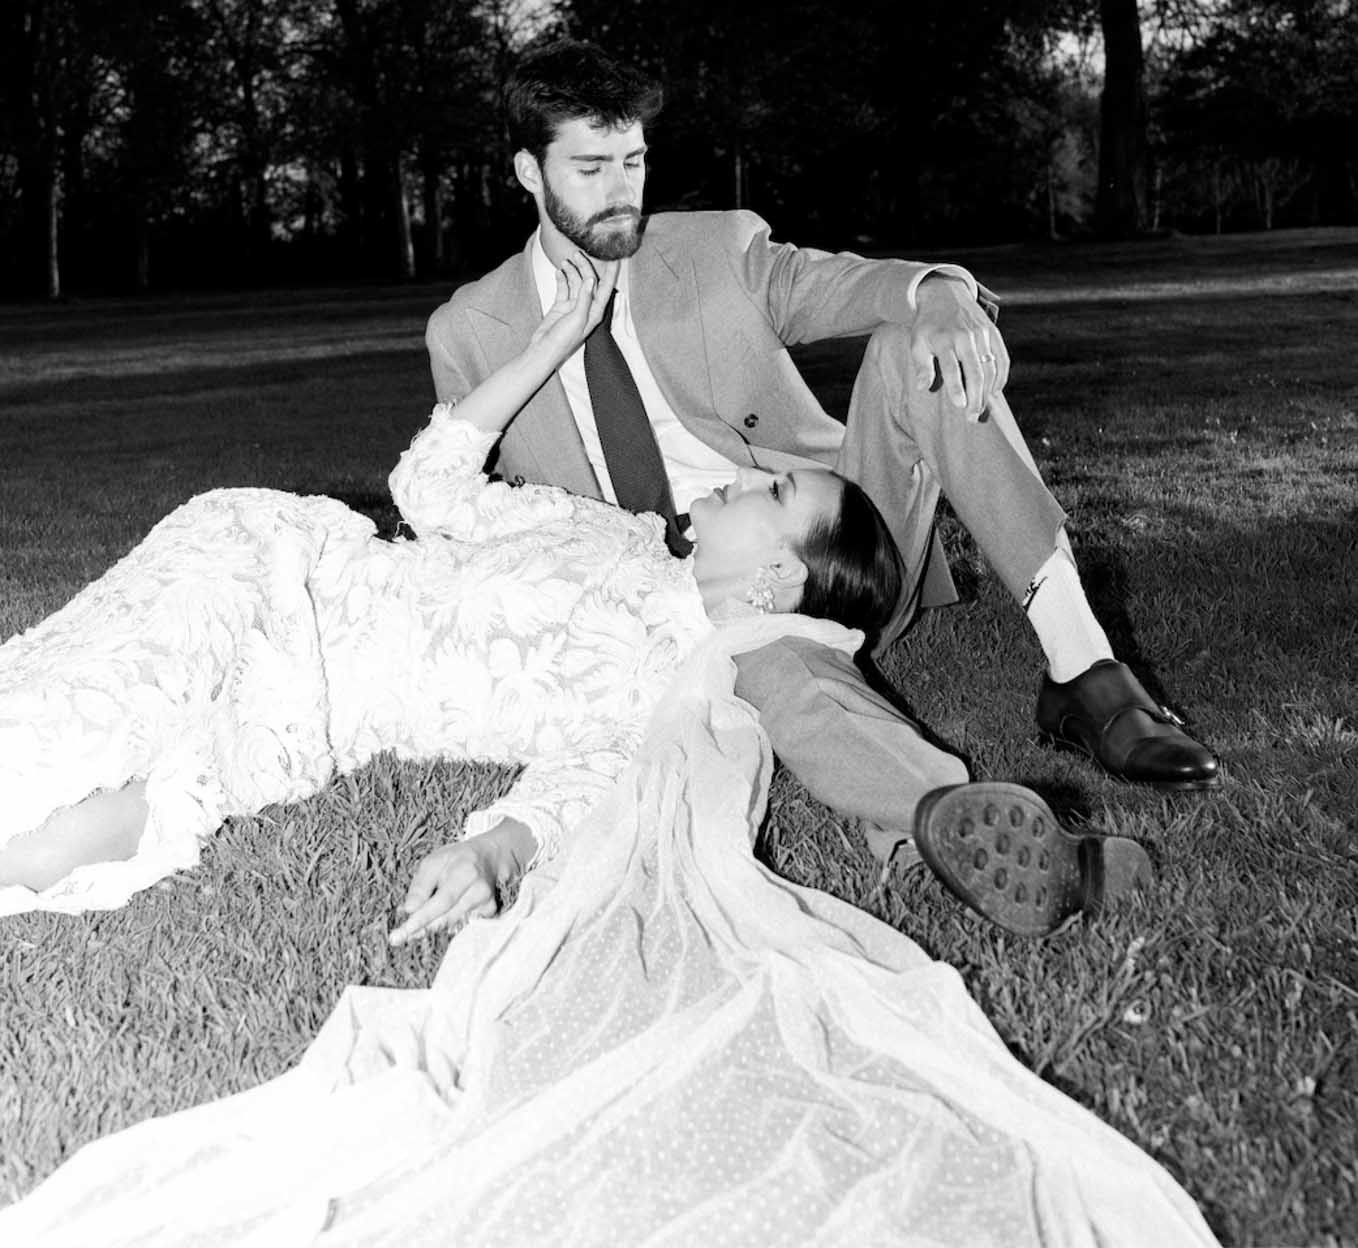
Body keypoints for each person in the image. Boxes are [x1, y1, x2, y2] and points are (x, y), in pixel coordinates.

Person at [0, 254, 1146, 942]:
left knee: (100, 830)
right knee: (62, 723)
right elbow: (428, 489)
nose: (739, 476)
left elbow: (577, 787)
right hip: (277, 571)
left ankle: (970, 814)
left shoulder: (676, 692)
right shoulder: (608, 530)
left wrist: (492, 852)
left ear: (772, 579)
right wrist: (548, 343)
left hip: (304, 713)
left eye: (769, 491)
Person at [427, 38, 1219, 790]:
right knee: (761, 671)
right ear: (529, 171)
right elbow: (458, 502)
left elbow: (845, 284)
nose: (620, 192)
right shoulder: (469, 331)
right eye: (590, 168)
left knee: (915, 346)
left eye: (632, 162)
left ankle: (1084, 670)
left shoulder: (713, 250)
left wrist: (940, 295)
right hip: (647, 610)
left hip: (829, 557)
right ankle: (915, 793)